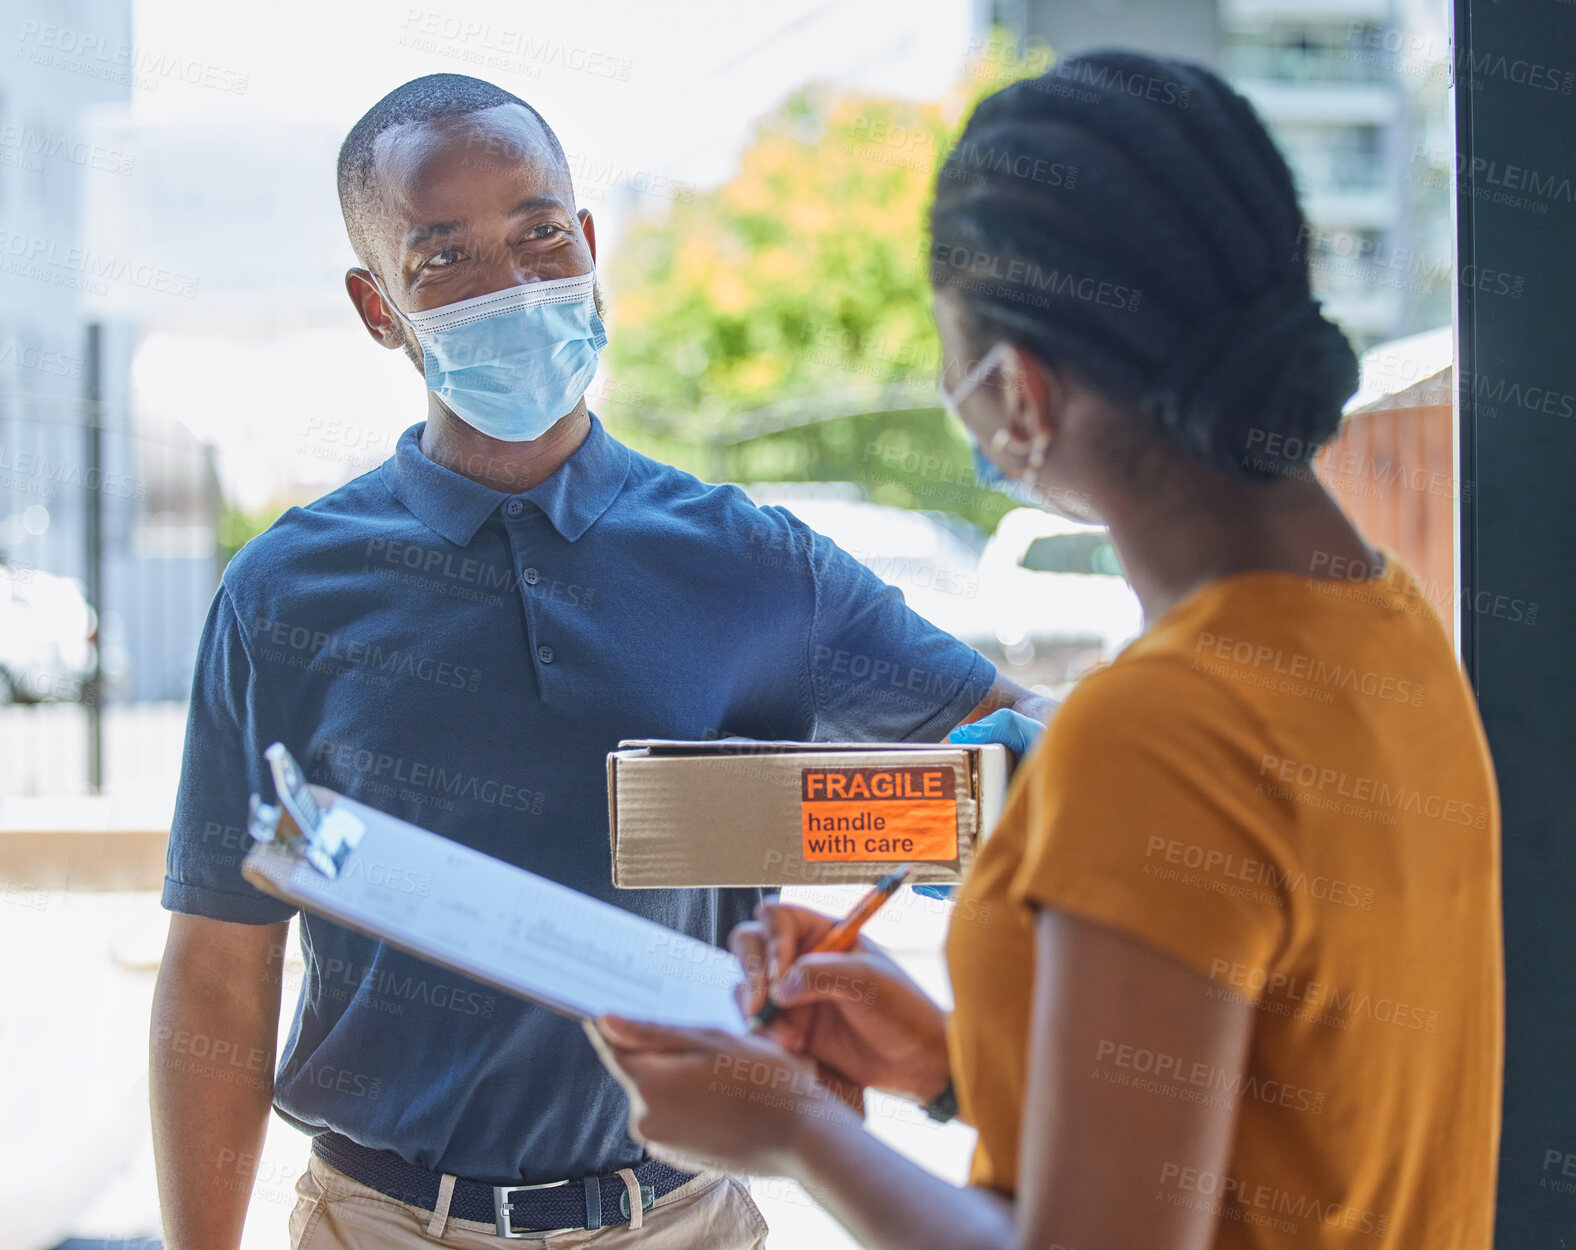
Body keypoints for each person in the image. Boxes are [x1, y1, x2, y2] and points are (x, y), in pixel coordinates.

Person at [589, 50, 1505, 1250]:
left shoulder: (1161, 727)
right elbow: (1289, 1116)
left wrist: (798, 1133)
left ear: (1016, 392)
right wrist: (960, 1066)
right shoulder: (1392, 636)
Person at [149, 73, 1052, 1250]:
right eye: (446, 262)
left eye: (536, 237)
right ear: (380, 309)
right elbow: (219, 971)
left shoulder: (750, 561)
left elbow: (1030, 749)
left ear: (583, 243)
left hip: (681, 1215)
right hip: (380, 1221)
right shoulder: (283, 592)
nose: (513, 287)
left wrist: (983, 790)